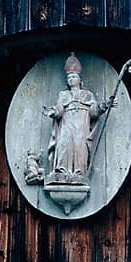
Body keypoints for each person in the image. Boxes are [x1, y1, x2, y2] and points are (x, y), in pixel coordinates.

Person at [42, 53, 113, 182]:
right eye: (69, 77)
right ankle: (61, 171)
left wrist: (104, 105)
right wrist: (52, 112)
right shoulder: (63, 95)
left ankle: (79, 173)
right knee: (63, 145)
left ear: (80, 79)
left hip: (81, 125)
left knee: (80, 147)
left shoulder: (87, 95)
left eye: (73, 76)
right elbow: (59, 110)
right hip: (66, 124)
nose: (71, 79)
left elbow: (93, 112)